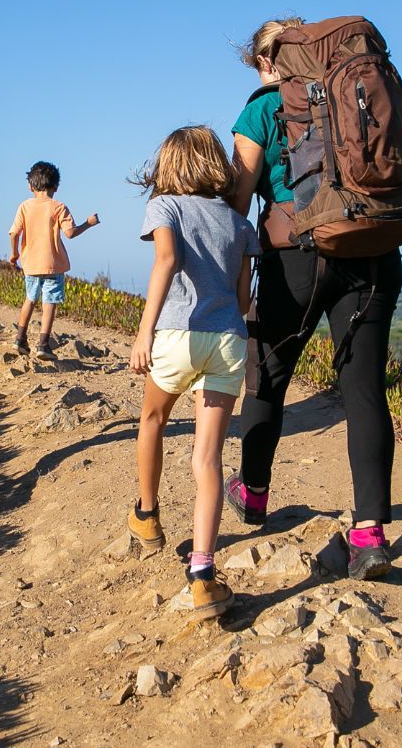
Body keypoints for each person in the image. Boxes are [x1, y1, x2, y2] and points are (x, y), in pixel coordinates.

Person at [224, 19, 402, 579]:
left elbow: (236, 199)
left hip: (295, 255)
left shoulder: (261, 109)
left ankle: (254, 494)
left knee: (268, 374)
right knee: (364, 389)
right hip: (373, 245)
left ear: (267, 61)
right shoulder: (360, 89)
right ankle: (369, 534)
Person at [126, 125, 261, 619]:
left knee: (153, 421)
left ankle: (147, 515)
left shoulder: (166, 207)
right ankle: (202, 574)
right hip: (228, 341)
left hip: (178, 335)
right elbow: (244, 298)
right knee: (208, 460)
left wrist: (145, 333)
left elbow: (166, 260)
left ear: (170, 165)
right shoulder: (239, 222)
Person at [7, 161, 99, 360]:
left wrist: (14, 255)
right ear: (56, 187)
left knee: (29, 299)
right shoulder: (59, 207)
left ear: (30, 186)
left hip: (30, 264)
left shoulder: (24, 206)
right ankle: (42, 344)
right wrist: (88, 224)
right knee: (49, 303)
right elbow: (70, 233)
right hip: (53, 264)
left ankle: (20, 339)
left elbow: (14, 234)